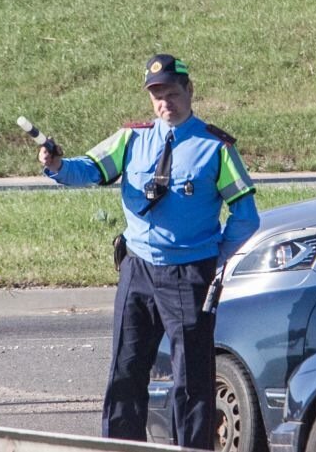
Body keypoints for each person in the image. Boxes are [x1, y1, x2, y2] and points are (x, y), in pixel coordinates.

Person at [38, 53, 260, 449]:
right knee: (125, 372)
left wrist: (216, 256)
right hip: (138, 271)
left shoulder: (216, 148)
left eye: (172, 94)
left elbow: (246, 215)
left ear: (189, 91)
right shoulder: (132, 138)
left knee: (192, 380)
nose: (164, 104)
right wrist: (56, 164)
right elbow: (87, 169)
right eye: (157, 96)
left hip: (190, 274)